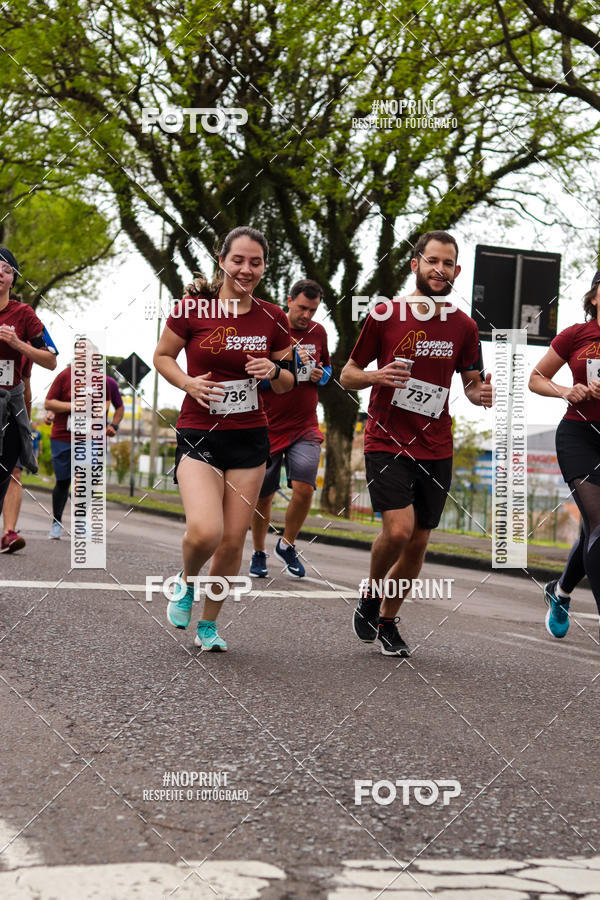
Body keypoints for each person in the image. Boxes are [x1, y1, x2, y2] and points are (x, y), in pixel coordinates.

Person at [340, 231, 493, 656]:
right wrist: (377, 376)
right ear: (415, 265)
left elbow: (472, 385)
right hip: (386, 438)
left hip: (436, 444)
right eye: (432, 261)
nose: (439, 270)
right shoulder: (386, 313)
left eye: (447, 264)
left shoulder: (464, 326)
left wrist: (484, 395)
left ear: (457, 271)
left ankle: (387, 620)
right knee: (399, 529)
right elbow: (348, 374)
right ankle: (371, 592)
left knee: (420, 540)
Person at [154, 225, 294, 652]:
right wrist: (189, 384)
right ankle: (186, 579)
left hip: (250, 438)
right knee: (205, 531)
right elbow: (163, 356)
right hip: (200, 433)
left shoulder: (274, 317)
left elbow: (291, 381)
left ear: (265, 267)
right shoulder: (192, 308)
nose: (246, 269)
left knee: (233, 541)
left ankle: (209, 626)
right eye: (238, 260)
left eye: (255, 262)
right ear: (222, 260)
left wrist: (274, 372)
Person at [529, 269, 600, 639]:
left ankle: (560, 592)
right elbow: (535, 377)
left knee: (594, 528)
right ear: (593, 298)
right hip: (578, 435)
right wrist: (565, 391)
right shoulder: (576, 334)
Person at [250, 278, 331, 578]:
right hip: (268, 425)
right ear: (289, 300)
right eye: (301, 308)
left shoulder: (319, 332)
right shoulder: (270, 328)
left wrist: (321, 374)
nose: (306, 315)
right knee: (262, 497)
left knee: (305, 488)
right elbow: (255, 375)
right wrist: (284, 371)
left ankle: (287, 544)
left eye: (312, 309)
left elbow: (328, 370)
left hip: (305, 425)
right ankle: (259, 552)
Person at [0, 249, 56, 518]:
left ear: (13, 279)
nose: (0, 273)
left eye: (7, 270)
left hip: (7, 416)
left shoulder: (24, 315)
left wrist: (17, 344)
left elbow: (50, 359)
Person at [45, 356, 124, 539]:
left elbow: (116, 407)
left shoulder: (106, 382)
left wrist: (114, 425)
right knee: (63, 482)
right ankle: (56, 523)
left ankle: (80, 522)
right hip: (64, 437)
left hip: (91, 439)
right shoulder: (65, 376)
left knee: (88, 478)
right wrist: (57, 411)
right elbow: (51, 402)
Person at [2, 324, 58, 553]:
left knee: (14, 472)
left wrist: (24, 424)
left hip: (9, 415)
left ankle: (9, 533)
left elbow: (25, 385)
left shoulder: (26, 344)